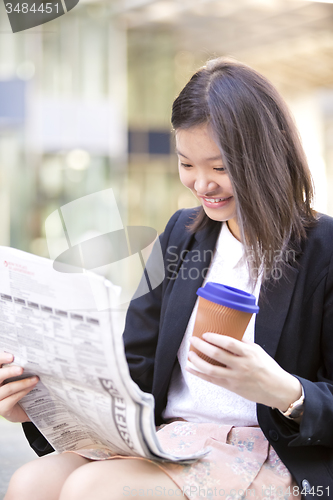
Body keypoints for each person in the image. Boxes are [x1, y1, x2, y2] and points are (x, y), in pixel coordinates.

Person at [1, 57, 333, 500]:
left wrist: (283, 390)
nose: (201, 184)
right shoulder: (182, 233)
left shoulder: (323, 249)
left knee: (94, 489)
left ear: (266, 157)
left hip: (266, 448)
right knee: (31, 482)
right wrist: (39, 404)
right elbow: (134, 366)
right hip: (167, 436)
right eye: (186, 164)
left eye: (219, 168)